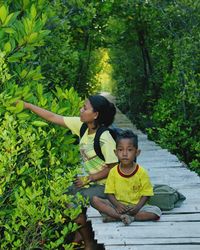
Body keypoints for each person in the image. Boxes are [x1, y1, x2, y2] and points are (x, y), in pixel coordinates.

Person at [18, 95, 118, 250]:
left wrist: (89, 178)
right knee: (61, 194)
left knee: (72, 203)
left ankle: (89, 242)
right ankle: (79, 234)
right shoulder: (83, 126)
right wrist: (27, 105)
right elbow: (52, 117)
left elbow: (114, 167)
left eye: (85, 108)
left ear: (95, 115)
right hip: (91, 182)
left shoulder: (104, 137)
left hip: (108, 186)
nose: (81, 110)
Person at [92, 130, 162, 225]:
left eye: (129, 150)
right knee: (95, 200)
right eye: (120, 150)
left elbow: (146, 194)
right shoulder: (113, 172)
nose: (124, 154)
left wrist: (137, 208)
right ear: (115, 152)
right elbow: (109, 193)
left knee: (155, 212)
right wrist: (117, 205)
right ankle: (121, 216)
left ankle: (119, 217)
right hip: (118, 206)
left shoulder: (142, 172)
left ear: (137, 152)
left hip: (137, 207)